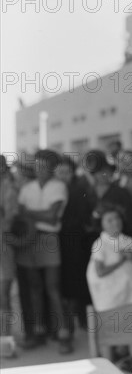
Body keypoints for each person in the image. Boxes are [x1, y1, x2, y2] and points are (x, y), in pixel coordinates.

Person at [15, 150, 72, 354]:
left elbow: (52, 217)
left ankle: (64, 335)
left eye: (43, 165)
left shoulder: (59, 186)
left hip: (49, 239)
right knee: (34, 289)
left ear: (52, 167)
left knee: (53, 288)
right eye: (36, 165)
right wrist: (40, 215)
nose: (38, 168)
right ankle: (38, 333)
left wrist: (30, 213)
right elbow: (23, 215)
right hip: (28, 240)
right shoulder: (27, 187)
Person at [55, 156, 94, 334]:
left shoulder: (78, 190)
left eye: (66, 172)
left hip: (76, 243)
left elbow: (84, 217)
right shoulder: (54, 190)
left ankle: (82, 319)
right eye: (60, 172)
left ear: (72, 173)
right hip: (57, 243)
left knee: (76, 281)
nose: (63, 176)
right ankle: (65, 323)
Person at [86, 204, 132, 311]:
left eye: (117, 218)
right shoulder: (99, 244)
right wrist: (121, 260)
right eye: (110, 220)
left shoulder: (128, 240)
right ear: (102, 224)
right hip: (110, 295)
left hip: (129, 291)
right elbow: (100, 271)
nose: (115, 222)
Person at [0, 155, 19, 357]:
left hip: (3, 248)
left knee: (3, 298)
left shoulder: (8, 189)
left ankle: (5, 345)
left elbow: (9, 221)